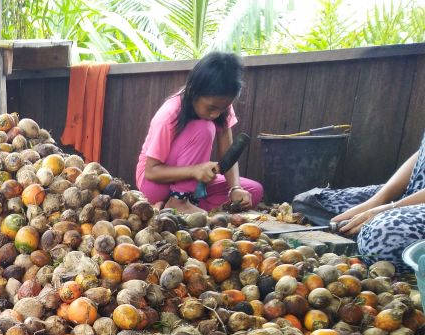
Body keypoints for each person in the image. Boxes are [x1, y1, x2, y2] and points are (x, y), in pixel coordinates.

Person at [136, 52, 263, 214]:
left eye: (222, 108)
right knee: (205, 128)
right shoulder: (169, 114)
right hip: (155, 185)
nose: (216, 114)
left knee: (253, 191)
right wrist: (194, 171)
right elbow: (151, 171)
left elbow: (228, 155)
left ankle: (180, 208)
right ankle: (177, 203)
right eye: (211, 108)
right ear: (193, 91)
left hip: (193, 184)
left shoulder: (221, 107)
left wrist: (235, 189)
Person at [293, 129, 425, 266]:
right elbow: (421, 153)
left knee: (379, 239)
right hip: (409, 194)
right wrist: (376, 201)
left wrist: (392, 207)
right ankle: (359, 231)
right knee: (308, 202)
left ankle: (371, 234)